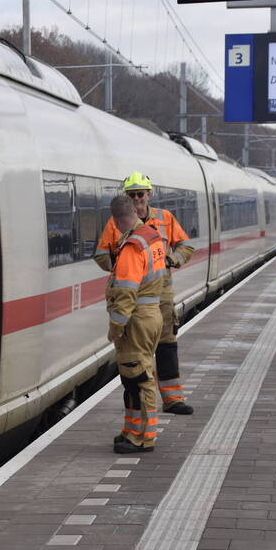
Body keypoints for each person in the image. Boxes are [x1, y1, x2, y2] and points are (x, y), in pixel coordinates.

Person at [95, 173, 196, 415]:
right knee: (137, 355)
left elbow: (186, 246)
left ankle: (173, 399)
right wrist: (123, 265)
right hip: (134, 300)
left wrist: (172, 260)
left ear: (149, 194)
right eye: (131, 195)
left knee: (167, 346)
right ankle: (142, 414)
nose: (137, 199)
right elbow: (101, 255)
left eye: (140, 194)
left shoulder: (165, 218)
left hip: (162, 296)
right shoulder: (116, 221)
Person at [105, 194, 167, 454]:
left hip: (136, 320)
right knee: (132, 378)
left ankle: (144, 437)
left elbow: (125, 293)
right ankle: (131, 430)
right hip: (151, 314)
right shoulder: (151, 236)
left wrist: (115, 328)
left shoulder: (132, 246)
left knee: (139, 378)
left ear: (116, 219)